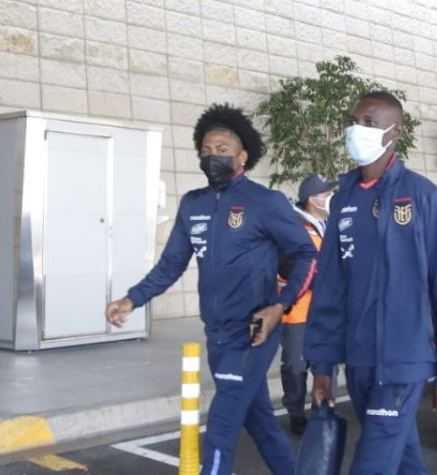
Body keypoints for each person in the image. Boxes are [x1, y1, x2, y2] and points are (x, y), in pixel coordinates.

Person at [104, 104, 319, 475]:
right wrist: (132, 298)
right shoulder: (193, 205)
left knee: (221, 424)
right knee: (260, 421)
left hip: (255, 330)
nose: (212, 156)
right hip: (217, 333)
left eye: (222, 149)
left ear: (242, 156)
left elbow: (306, 254)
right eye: (206, 150)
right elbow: (171, 265)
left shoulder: (265, 202)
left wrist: (281, 306)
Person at [306, 91, 437, 475]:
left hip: (404, 361)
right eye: (353, 121)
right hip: (359, 358)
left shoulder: (424, 198)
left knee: (372, 464)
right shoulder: (343, 201)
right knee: (405, 461)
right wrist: (322, 365)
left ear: (396, 131)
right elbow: (329, 289)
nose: (356, 130)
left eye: (369, 123)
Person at [279, 173, 338, 434]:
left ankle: (322, 411)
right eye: (327, 195)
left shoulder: (331, 225)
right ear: (314, 200)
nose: (331, 199)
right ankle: (295, 412)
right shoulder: (291, 227)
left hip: (326, 311)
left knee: (327, 363)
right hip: (298, 312)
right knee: (295, 366)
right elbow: (289, 267)